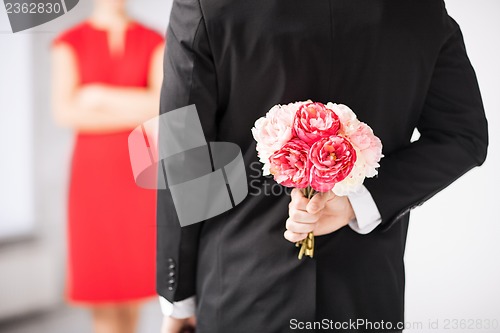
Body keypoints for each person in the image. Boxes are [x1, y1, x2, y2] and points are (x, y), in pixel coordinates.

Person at [157, 1, 488, 332]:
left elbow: (185, 155)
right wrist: (358, 202)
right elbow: (463, 135)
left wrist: (179, 299)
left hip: (240, 286)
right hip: (367, 295)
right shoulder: (419, 7)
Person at [51, 0, 164, 332]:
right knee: (101, 285)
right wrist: (137, 108)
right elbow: (65, 112)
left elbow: (162, 106)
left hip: (139, 173)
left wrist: (97, 96)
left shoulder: (154, 40)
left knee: (133, 283)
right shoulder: (69, 42)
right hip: (92, 177)